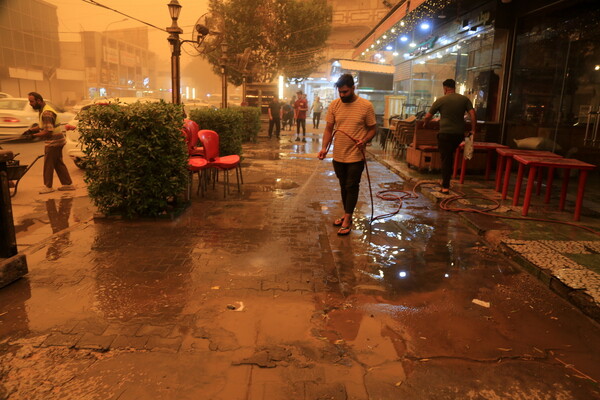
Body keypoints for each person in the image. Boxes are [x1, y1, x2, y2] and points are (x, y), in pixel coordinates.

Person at [318, 74, 376, 236]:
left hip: (356, 156)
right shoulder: (335, 105)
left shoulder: (366, 106)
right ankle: (346, 213)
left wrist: (364, 140)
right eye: (340, 92)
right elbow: (329, 129)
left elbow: (373, 129)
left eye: (345, 92)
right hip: (338, 155)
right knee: (343, 185)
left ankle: (348, 218)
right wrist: (324, 148)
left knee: (352, 185)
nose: (342, 95)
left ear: (353, 88)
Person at [423, 79, 476, 195]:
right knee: (452, 157)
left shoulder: (441, 100)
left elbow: (427, 116)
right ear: (454, 88)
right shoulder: (464, 99)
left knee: (446, 160)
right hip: (459, 136)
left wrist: (425, 123)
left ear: (445, 88)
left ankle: (445, 187)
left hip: (445, 135)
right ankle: (453, 180)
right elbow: (472, 114)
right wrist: (473, 129)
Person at [27, 92, 75, 194]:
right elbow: (43, 126)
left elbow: (48, 131)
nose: (30, 103)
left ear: (38, 101)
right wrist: (31, 130)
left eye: (31, 101)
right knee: (58, 163)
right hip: (58, 140)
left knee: (48, 164)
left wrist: (33, 136)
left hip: (54, 142)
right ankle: (67, 184)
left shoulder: (46, 113)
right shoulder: (43, 109)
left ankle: (48, 187)